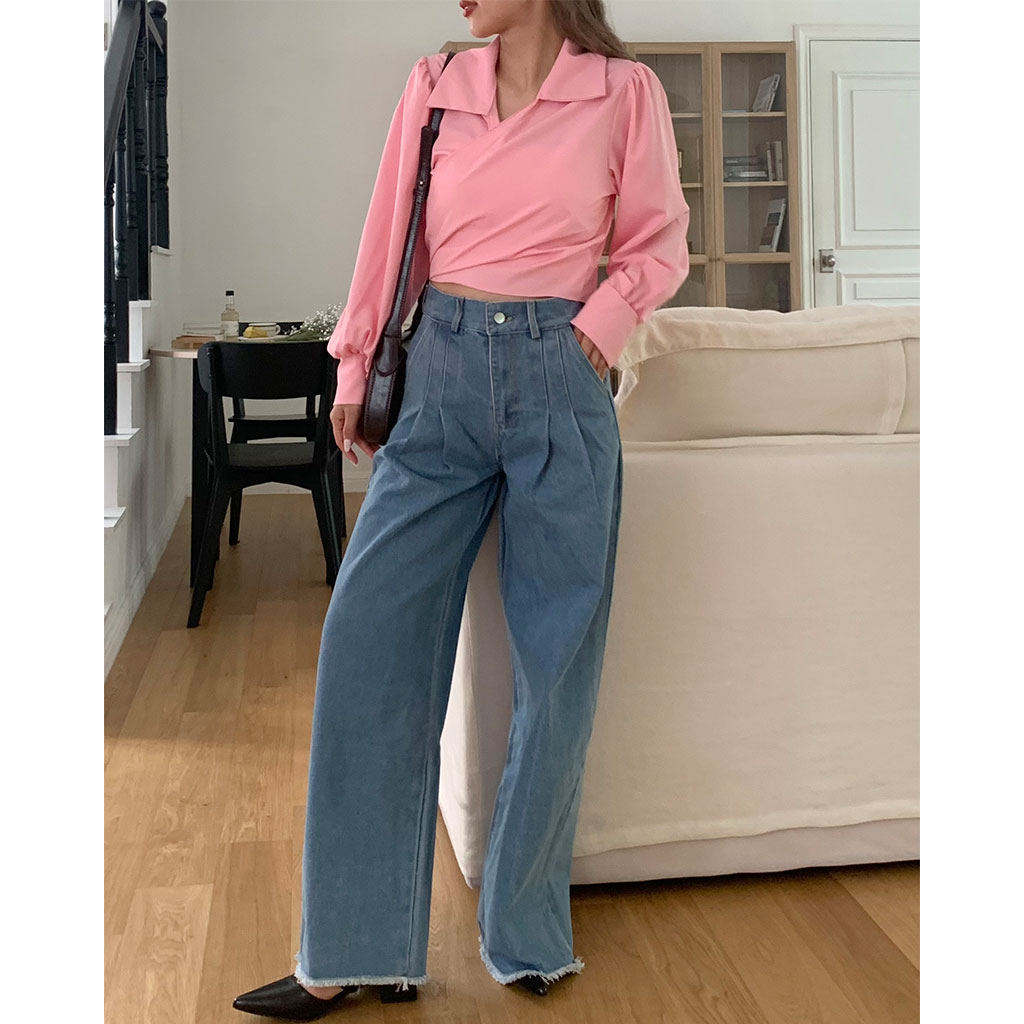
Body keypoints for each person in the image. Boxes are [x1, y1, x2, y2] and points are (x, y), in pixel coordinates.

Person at [233, 0, 689, 1017]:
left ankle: (523, 932)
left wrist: (599, 329)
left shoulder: (624, 93)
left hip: (561, 377)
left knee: (557, 663)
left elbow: (658, 241)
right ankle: (353, 949)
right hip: (438, 374)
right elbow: (388, 235)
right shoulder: (436, 86)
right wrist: (354, 361)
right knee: (367, 639)